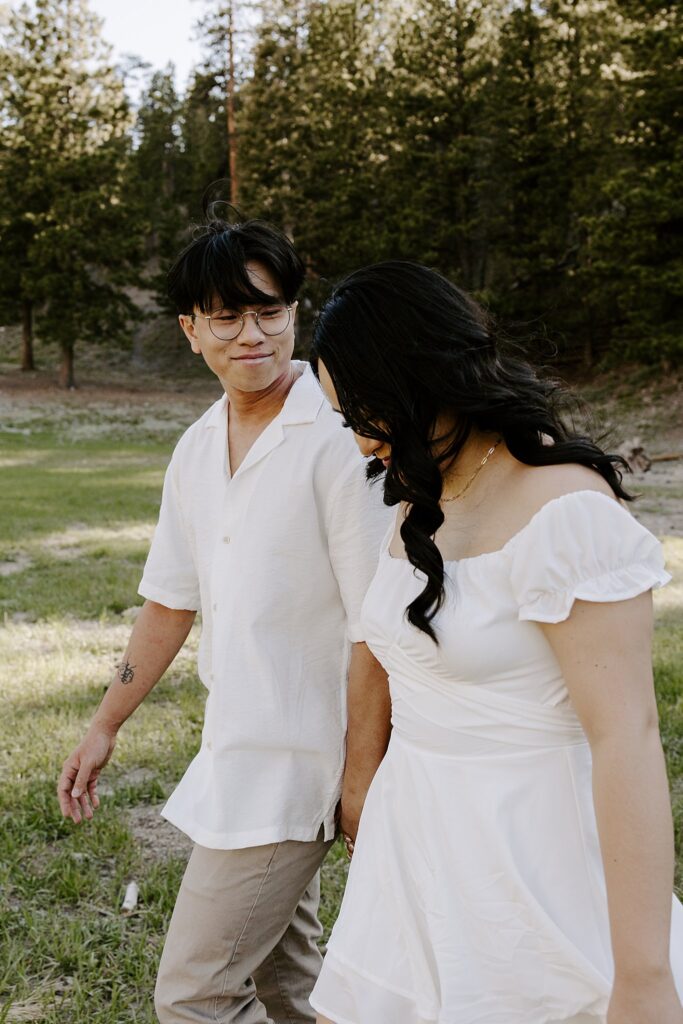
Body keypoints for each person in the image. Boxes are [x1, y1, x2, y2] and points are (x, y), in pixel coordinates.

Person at [307, 260, 683, 1024]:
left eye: (362, 415)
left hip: (530, 867)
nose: (357, 444)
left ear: (422, 380)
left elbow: (627, 739)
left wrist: (640, 976)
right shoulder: (424, 496)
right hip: (415, 860)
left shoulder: (566, 513)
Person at [57, 215, 392, 1024]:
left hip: (297, 767)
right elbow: (171, 600)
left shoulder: (340, 441)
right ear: (190, 330)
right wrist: (105, 725)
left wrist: (356, 781)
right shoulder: (197, 447)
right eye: (227, 316)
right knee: (292, 987)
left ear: (294, 315)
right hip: (236, 754)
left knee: (194, 996)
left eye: (270, 312)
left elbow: (371, 629)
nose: (253, 334)